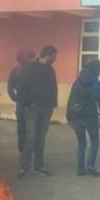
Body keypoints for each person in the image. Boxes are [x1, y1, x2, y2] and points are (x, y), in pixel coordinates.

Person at [17, 45, 58, 178]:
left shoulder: (51, 70)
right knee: (30, 138)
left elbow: (53, 87)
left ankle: (38, 166)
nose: (55, 59)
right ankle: (24, 167)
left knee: (41, 139)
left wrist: (53, 104)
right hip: (32, 110)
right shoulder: (30, 68)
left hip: (46, 109)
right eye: (54, 56)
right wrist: (29, 102)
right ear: (48, 55)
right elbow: (21, 88)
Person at [66, 59, 100, 177]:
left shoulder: (78, 81)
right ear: (97, 70)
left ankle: (80, 169)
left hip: (76, 115)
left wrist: (68, 115)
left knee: (81, 143)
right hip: (90, 116)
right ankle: (90, 166)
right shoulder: (98, 84)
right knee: (95, 142)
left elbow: (70, 98)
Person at [7, 49, 35, 154]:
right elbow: (10, 87)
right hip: (23, 105)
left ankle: (26, 151)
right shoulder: (16, 71)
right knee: (22, 129)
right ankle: (23, 151)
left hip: (30, 104)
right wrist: (16, 98)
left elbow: (10, 88)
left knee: (28, 130)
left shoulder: (32, 70)